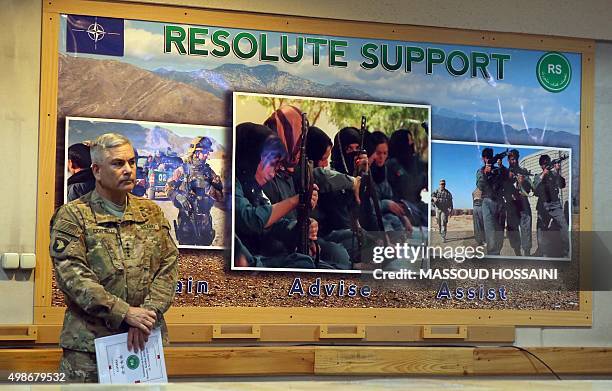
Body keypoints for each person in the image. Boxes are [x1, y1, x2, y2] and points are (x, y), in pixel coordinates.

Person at [50, 133, 179, 382]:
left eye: (132, 162)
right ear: (97, 170)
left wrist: (146, 315)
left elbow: (169, 265)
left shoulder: (151, 213)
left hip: (143, 339)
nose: (129, 170)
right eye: (118, 164)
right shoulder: (73, 216)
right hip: (89, 346)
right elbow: (74, 276)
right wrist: (124, 312)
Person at [262, 107, 352, 269]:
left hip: (301, 241)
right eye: (298, 140)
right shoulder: (265, 172)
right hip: (277, 251)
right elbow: (265, 221)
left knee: (340, 255)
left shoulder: (290, 169)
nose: (299, 147)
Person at [234, 122, 319, 269]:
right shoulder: (229, 184)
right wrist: (297, 200)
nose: (273, 174)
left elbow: (272, 225)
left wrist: (301, 228)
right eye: (272, 164)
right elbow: (251, 220)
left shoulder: (252, 188)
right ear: (251, 158)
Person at [166, 137, 223, 246]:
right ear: (196, 153)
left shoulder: (209, 172)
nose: (207, 155)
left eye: (207, 152)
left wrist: (209, 189)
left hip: (205, 224)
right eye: (205, 152)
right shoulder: (182, 171)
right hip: (186, 223)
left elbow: (220, 196)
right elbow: (168, 188)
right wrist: (178, 196)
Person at [386, 128, 428, 227]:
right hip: (402, 208)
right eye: (409, 141)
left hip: (418, 207)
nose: (412, 143)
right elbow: (407, 186)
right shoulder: (391, 165)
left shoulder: (416, 163)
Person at [533, 154, 569, 257]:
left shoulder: (554, 174)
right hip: (543, 205)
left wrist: (557, 172)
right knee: (541, 229)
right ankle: (542, 252)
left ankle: (566, 251)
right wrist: (544, 174)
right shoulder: (537, 176)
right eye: (544, 164)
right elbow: (535, 189)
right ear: (541, 166)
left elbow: (562, 185)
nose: (546, 165)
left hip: (555, 204)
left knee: (564, 226)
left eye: (547, 163)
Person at [476, 147, 505, 255]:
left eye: (490, 157)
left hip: (500, 203)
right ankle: (493, 259)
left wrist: (501, 166)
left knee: (500, 233)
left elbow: (505, 181)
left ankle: (497, 254)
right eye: (486, 157)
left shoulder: (498, 170)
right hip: (487, 202)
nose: (488, 159)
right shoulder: (480, 171)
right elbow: (480, 186)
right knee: (491, 234)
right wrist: (485, 173)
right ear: (483, 158)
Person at [505, 149, 533, 256]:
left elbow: (530, 188)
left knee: (526, 229)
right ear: (508, 160)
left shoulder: (523, 171)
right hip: (511, 206)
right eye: (512, 159)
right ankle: (517, 253)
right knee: (513, 230)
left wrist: (523, 183)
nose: (514, 161)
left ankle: (527, 253)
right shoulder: (504, 173)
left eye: (516, 159)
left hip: (523, 204)